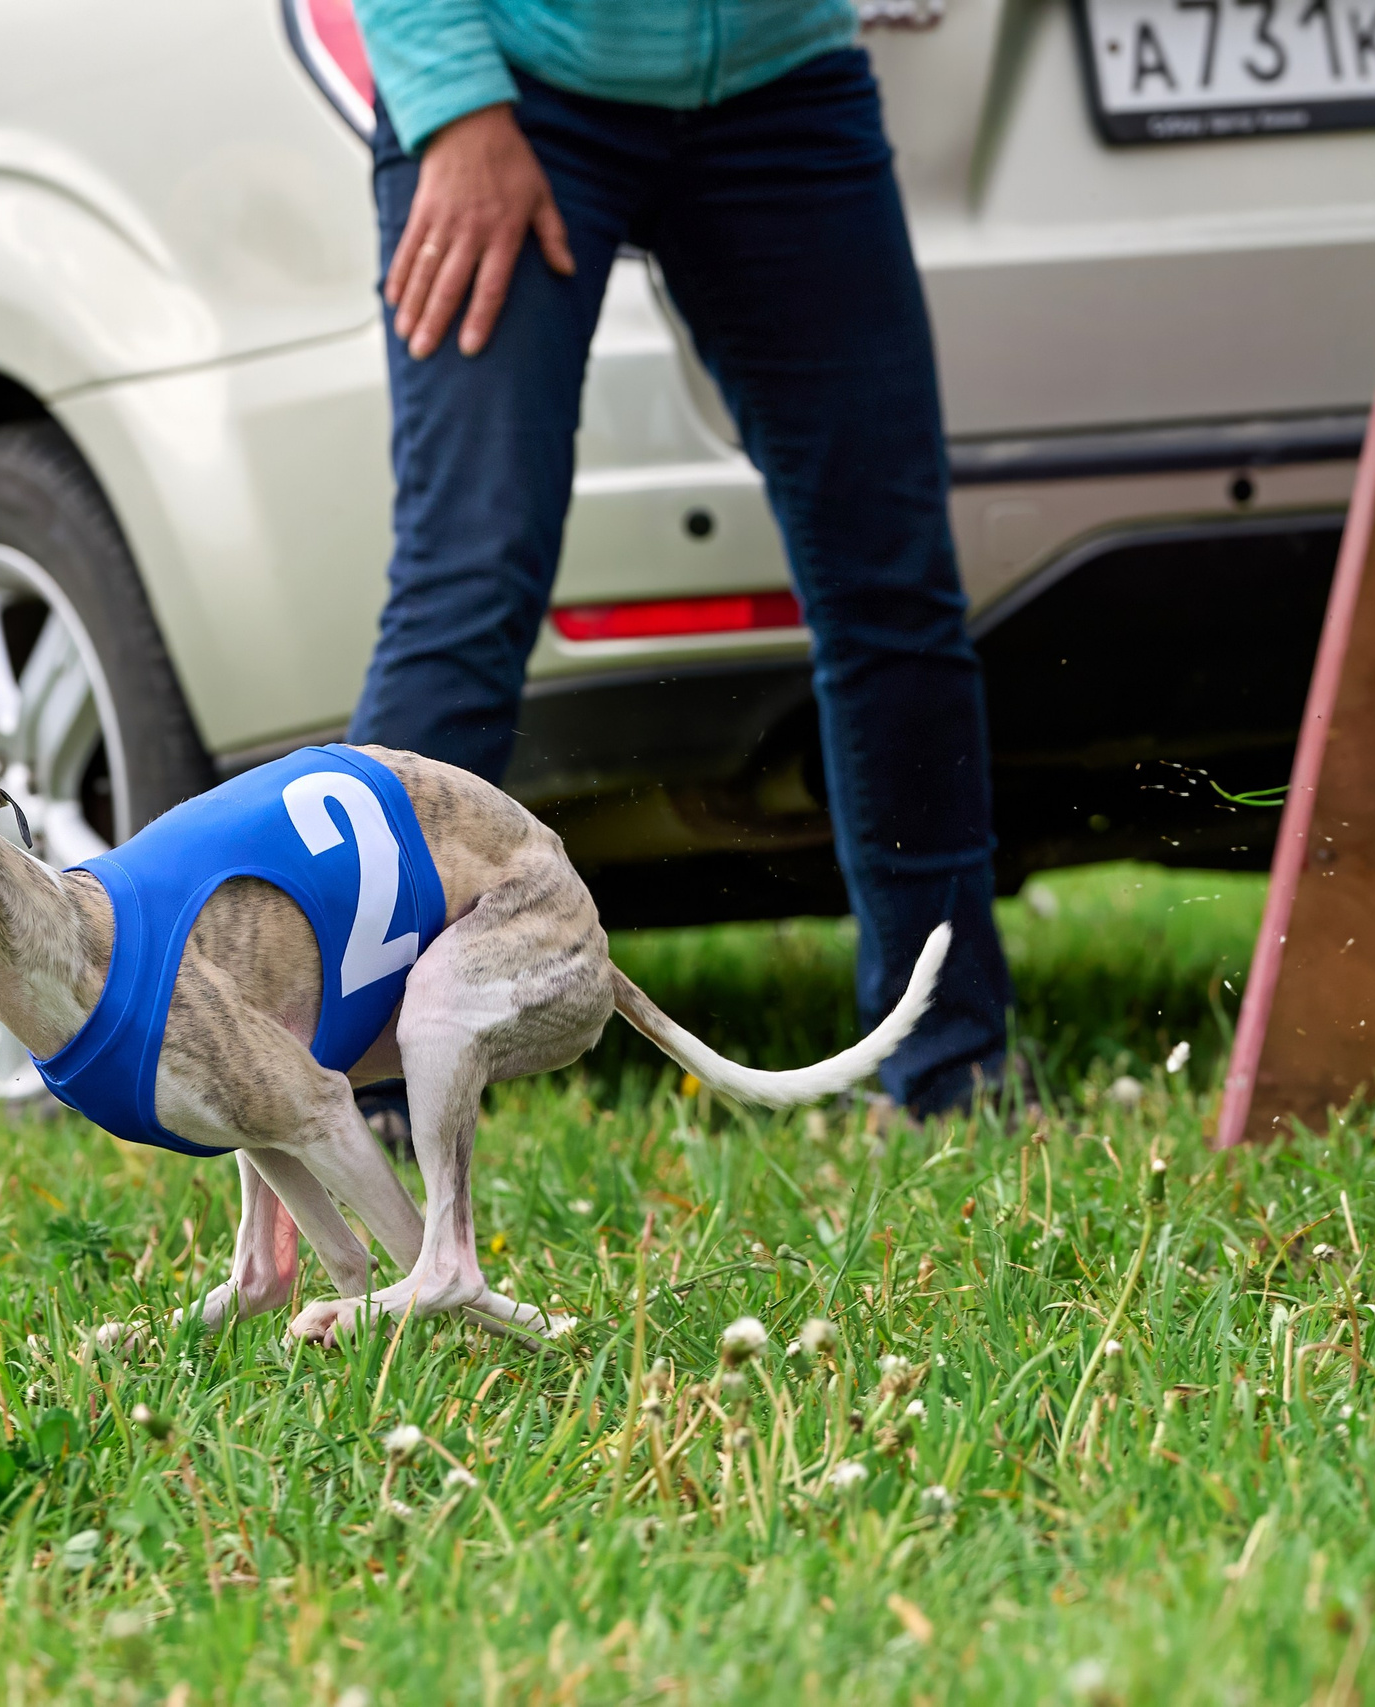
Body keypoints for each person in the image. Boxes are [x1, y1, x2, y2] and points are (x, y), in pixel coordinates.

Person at [343, 0, 1013, 1115]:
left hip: (779, 78)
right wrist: (453, 102)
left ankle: (957, 1071)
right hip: (515, 78)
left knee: (894, 589)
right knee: (468, 586)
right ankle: (360, 1104)